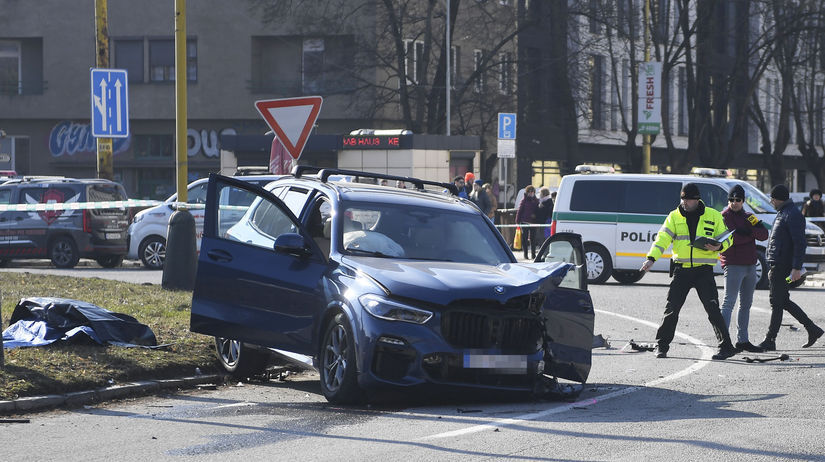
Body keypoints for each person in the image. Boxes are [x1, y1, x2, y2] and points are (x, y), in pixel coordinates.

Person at [640, 182, 738, 360]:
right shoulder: (674, 216)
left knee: (713, 309)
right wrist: (651, 258)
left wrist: (719, 246)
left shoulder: (713, 215)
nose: (684, 202)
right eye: (683, 198)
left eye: (688, 199)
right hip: (681, 271)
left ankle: (726, 347)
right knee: (671, 310)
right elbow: (662, 239)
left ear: (697, 200)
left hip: (704, 271)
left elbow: (728, 239)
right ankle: (661, 346)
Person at [758, 184, 824, 351]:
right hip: (777, 264)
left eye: (772, 198)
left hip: (782, 265)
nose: (771, 201)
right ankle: (812, 328)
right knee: (782, 301)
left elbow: (799, 243)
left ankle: (770, 339)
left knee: (777, 302)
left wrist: (796, 268)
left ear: (778, 198)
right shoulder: (784, 213)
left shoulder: (792, 214)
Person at [719, 185, 769, 353]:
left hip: (750, 265)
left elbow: (764, 235)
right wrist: (750, 235)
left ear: (743, 201)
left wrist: (746, 232)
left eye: (738, 200)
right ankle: (724, 341)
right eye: (731, 200)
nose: (734, 203)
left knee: (746, 304)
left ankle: (743, 340)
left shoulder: (749, 216)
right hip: (733, 264)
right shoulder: (723, 216)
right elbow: (730, 240)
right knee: (728, 303)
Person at [515, 185, 540, 259]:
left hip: (533, 222)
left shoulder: (536, 200)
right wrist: (517, 220)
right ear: (527, 192)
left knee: (533, 238)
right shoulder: (524, 200)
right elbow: (520, 211)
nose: (531, 193)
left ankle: (533, 254)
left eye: (532, 192)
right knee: (524, 238)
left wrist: (536, 216)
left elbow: (538, 211)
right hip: (524, 221)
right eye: (529, 192)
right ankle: (525, 254)